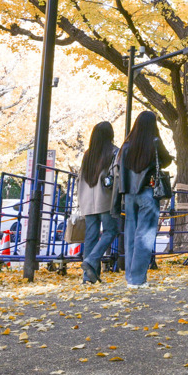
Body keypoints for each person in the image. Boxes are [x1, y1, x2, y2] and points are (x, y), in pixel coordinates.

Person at [118, 110, 173, 288]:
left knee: (131, 236)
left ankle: (131, 278)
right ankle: (137, 279)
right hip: (148, 192)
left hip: (129, 195)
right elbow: (166, 161)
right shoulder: (154, 142)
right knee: (145, 236)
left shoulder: (125, 146)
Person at [79, 121, 119, 284]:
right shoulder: (114, 151)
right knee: (110, 231)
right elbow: (116, 174)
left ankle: (88, 277)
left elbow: (80, 177)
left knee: (91, 236)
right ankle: (91, 260)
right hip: (105, 198)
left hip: (87, 199)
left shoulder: (88, 154)